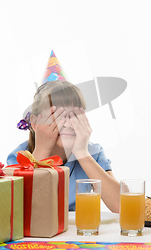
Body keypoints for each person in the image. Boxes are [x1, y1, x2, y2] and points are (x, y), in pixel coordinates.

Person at [8, 79, 120, 213]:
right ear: (35, 122)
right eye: (57, 116)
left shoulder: (93, 152)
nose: (68, 124)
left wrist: (82, 152)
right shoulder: (20, 156)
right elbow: (19, 210)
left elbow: (120, 206)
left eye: (74, 116)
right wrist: (42, 150)